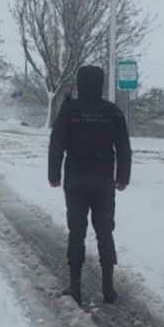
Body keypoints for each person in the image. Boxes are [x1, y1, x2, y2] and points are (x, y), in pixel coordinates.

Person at [47, 65, 132, 305]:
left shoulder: (69, 111)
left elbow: (57, 144)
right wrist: (123, 178)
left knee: (77, 232)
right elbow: (124, 148)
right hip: (103, 182)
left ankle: (75, 286)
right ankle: (108, 288)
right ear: (101, 84)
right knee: (105, 231)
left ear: (80, 82)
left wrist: (54, 175)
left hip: (75, 182)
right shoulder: (112, 112)